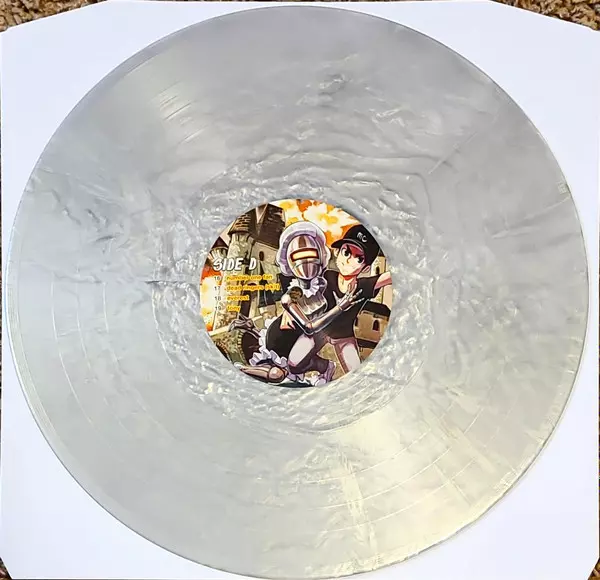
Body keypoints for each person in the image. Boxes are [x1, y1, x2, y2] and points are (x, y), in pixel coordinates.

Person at [230, 221, 360, 385]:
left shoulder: (325, 284)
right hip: (279, 343)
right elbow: (308, 327)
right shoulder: (290, 296)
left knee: (291, 367)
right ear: (289, 262)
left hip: (298, 343)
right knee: (278, 374)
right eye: (298, 257)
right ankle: (242, 370)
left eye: (311, 255)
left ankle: (325, 367)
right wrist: (340, 307)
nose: (306, 263)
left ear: (320, 256)